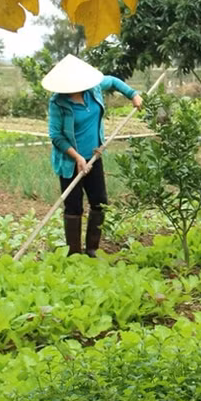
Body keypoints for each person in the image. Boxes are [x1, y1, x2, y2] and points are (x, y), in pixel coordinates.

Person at [44, 54, 143, 257]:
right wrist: (78, 158)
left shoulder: (93, 89)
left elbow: (113, 81)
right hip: (70, 162)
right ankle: (73, 253)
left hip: (94, 157)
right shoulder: (58, 103)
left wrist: (133, 94)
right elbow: (56, 135)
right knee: (73, 206)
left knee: (99, 201)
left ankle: (91, 249)